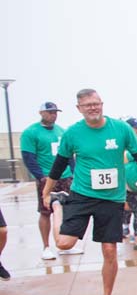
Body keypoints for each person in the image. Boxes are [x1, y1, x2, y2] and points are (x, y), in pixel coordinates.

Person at [41, 89, 137, 295]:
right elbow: (59, 164)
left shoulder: (121, 129)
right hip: (81, 195)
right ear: (79, 108)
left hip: (111, 199)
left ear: (102, 104)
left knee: (109, 251)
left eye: (96, 103)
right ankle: (60, 204)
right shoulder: (72, 134)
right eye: (87, 105)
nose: (93, 108)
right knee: (64, 244)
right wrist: (48, 192)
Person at [20, 101, 76, 260]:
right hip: (46, 176)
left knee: (67, 210)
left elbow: (69, 155)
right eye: (50, 112)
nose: (53, 115)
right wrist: (40, 177)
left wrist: (74, 173)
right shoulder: (31, 132)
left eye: (55, 112)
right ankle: (46, 246)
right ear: (41, 113)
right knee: (46, 211)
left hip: (65, 176)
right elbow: (28, 157)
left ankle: (65, 242)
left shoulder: (62, 132)